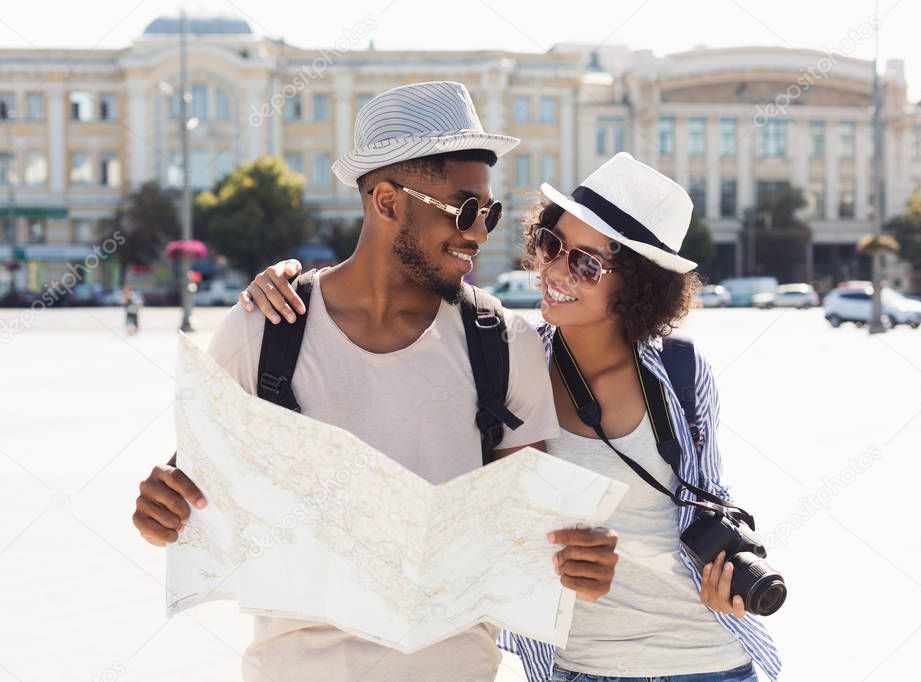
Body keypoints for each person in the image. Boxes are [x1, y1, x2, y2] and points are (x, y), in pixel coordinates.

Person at [131, 81, 619, 682]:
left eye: (488, 213)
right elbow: (193, 488)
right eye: (466, 209)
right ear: (388, 201)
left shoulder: (501, 340)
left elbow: (528, 535)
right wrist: (163, 510)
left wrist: (579, 564)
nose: (480, 233)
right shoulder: (264, 331)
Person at [246, 153, 783, 682]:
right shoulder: (503, 358)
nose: (555, 271)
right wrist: (294, 285)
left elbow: (710, 497)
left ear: (639, 284)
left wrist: (729, 576)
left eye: (587, 263)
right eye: (553, 245)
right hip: (576, 668)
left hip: (707, 662)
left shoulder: (683, 372)